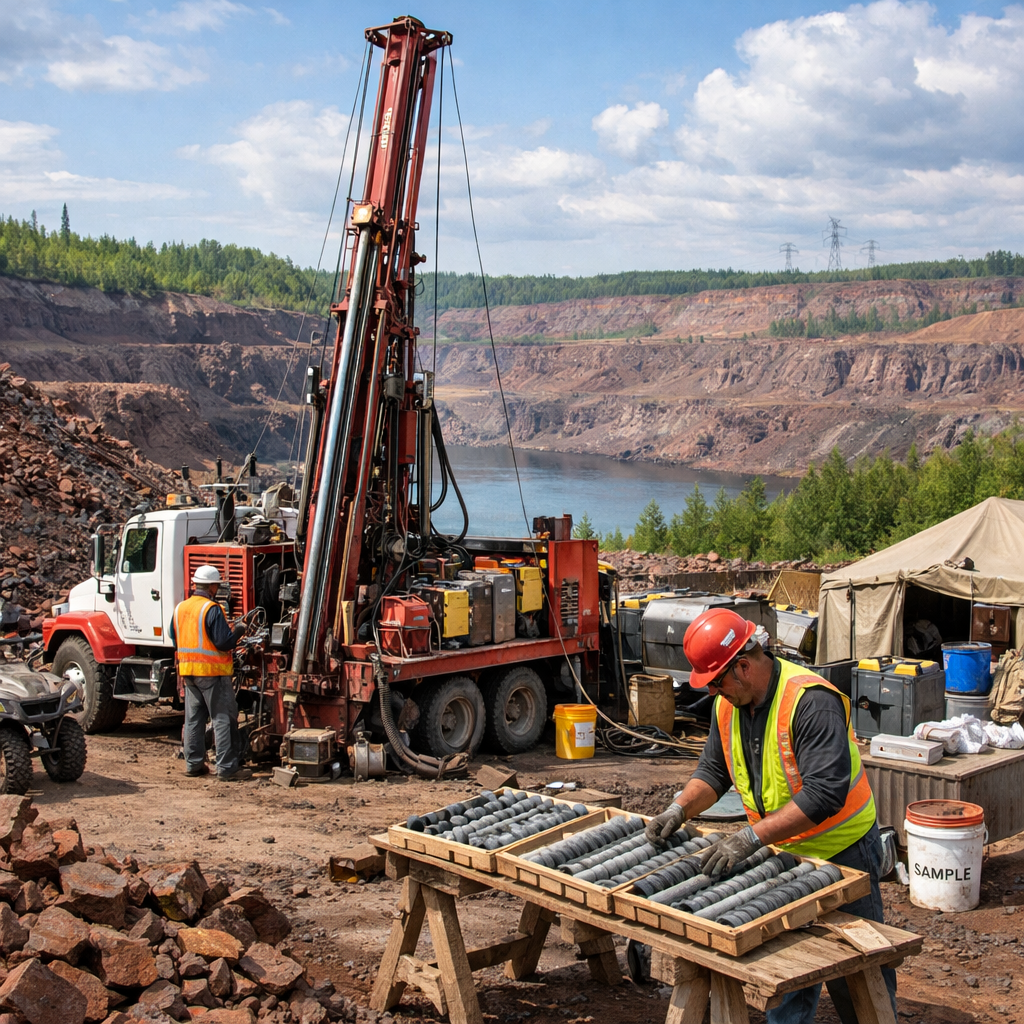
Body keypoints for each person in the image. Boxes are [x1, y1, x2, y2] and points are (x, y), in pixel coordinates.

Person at [645, 608, 895, 1024]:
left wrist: (749, 838)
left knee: (858, 975)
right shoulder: (729, 706)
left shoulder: (810, 701)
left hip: (844, 853)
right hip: (783, 854)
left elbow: (824, 794)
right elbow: (714, 770)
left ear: (742, 666)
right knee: (787, 972)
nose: (713, 693)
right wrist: (679, 807)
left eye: (716, 682)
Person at [170, 565, 251, 782]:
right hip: (212, 672)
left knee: (194, 718)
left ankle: (194, 764)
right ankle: (227, 768)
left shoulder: (181, 608)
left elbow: (173, 636)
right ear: (213, 586)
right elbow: (223, 642)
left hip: (188, 671)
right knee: (222, 718)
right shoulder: (211, 609)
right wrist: (239, 632)